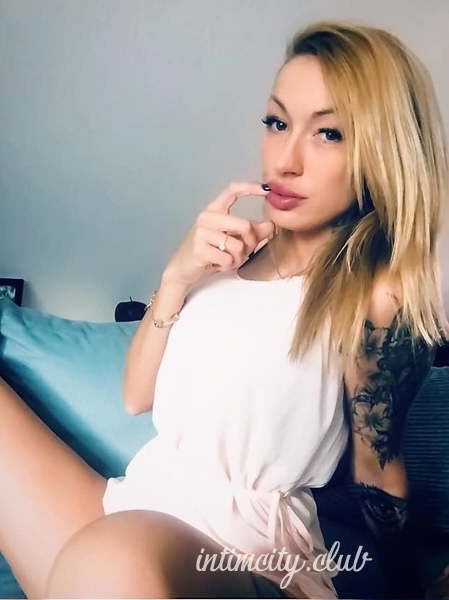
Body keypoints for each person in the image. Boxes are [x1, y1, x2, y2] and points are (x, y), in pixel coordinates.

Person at [0, 18, 448, 600]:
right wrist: (176, 275)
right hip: (128, 512)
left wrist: (412, 578)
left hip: (245, 559)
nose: (285, 160)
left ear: (384, 153)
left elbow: (378, 471)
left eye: (328, 133)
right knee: (112, 551)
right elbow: (136, 395)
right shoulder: (229, 256)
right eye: (277, 123)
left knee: (117, 554)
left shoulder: (373, 295)